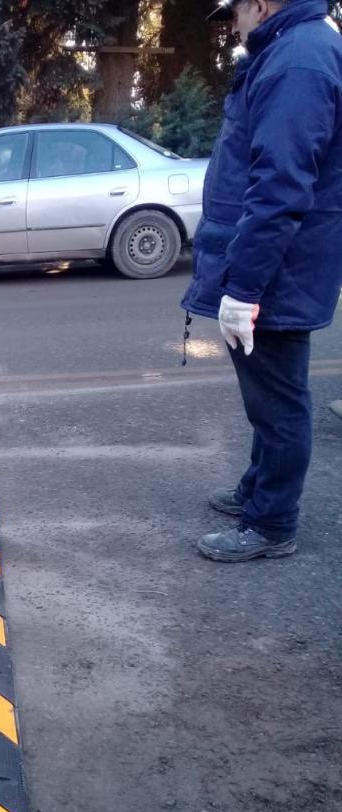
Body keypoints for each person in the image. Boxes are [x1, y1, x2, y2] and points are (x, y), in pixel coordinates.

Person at [183, 0, 342, 561]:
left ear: (262, 3)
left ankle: (272, 524)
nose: (233, 28)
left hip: (276, 271)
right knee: (268, 399)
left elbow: (280, 186)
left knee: (279, 403)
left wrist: (245, 288)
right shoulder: (293, 50)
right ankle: (258, 490)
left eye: (235, 15)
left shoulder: (298, 60)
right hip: (275, 266)